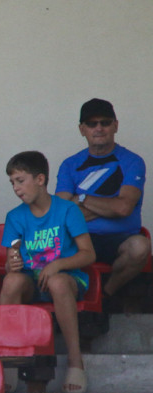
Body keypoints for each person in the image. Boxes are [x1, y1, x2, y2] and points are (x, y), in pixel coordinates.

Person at [1, 151, 95, 393]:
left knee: (58, 283)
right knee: (11, 281)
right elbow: (10, 261)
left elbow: (88, 254)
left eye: (20, 180)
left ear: (40, 179)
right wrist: (12, 264)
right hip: (32, 280)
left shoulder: (67, 210)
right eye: (12, 183)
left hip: (67, 279)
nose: (16, 188)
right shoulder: (14, 216)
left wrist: (57, 265)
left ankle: (75, 361)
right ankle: (9, 359)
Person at [55, 98, 147, 303]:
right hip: (80, 239)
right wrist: (110, 204)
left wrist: (81, 198)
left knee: (141, 247)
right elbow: (62, 213)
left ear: (115, 126)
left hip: (120, 239)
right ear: (82, 129)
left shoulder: (133, 161)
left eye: (105, 122)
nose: (99, 128)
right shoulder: (69, 165)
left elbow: (123, 208)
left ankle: (106, 294)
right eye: (91, 123)